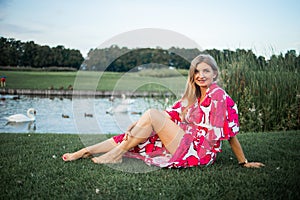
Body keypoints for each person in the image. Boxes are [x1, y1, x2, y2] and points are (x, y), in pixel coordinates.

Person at [62, 54, 265, 169]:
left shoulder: (219, 96)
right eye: (197, 71)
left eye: (206, 71)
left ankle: (116, 154)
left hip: (200, 152)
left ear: (215, 74)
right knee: (139, 132)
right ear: (192, 75)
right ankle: (85, 151)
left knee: (149, 116)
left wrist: (243, 162)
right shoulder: (191, 97)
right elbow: (167, 115)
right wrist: (138, 123)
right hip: (182, 141)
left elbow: (229, 134)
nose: (201, 75)